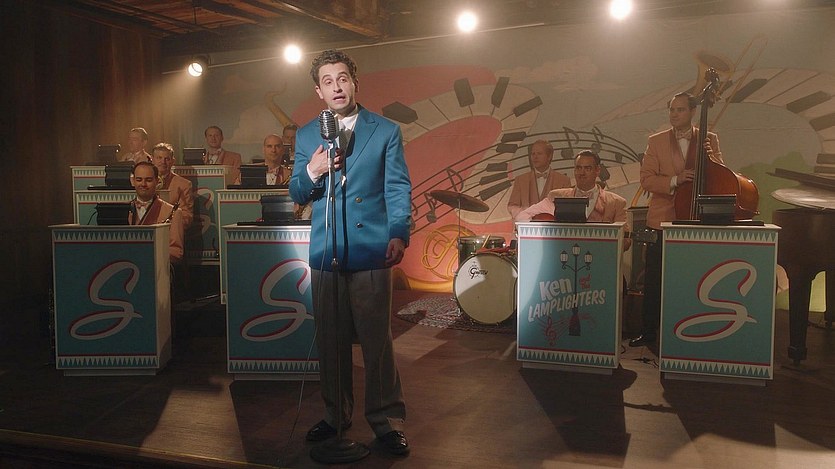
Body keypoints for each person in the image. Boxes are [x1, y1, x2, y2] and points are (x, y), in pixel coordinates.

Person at [289, 49, 412, 456]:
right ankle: (335, 416)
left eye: (342, 78)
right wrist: (313, 170)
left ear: (355, 83)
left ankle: (386, 421)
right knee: (330, 341)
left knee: (377, 341)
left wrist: (399, 232)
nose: (337, 87)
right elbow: (297, 192)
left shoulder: (385, 131)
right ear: (319, 91)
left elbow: (397, 187)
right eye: (328, 81)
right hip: (327, 250)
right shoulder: (307, 135)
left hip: (372, 248)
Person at [629, 91, 722, 347]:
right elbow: (646, 180)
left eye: (680, 110)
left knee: (693, 278)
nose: (674, 114)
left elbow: (720, 175)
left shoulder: (709, 139)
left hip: (696, 219)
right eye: (672, 110)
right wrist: (675, 180)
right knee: (654, 279)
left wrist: (711, 158)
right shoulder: (656, 141)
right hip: (662, 219)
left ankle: (692, 330)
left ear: (693, 111)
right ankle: (649, 333)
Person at [517, 150, 631, 249]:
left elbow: (626, 241)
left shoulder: (617, 203)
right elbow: (523, 217)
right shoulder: (557, 196)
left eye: (587, 168)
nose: (582, 173)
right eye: (578, 168)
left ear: (597, 170)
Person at [128, 161, 185, 264]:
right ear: (133, 181)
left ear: (157, 181)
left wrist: (145, 255)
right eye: (139, 180)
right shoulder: (124, 210)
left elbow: (176, 252)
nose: (143, 184)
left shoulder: (174, 212)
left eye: (148, 180)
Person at [507, 139, 571, 219]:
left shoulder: (564, 181)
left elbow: (566, 208)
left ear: (549, 156)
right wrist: (524, 216)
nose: (535, 157)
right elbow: (512, 205)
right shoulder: (520, 180)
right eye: (533, 154)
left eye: (539, 153)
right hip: (526, 225)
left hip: (553, 225)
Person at [151, 142, 194, 227]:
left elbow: (187, 217)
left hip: (171, 231)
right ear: (152, 159)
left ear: (173, 161)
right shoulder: (144, 182)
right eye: (159, 158)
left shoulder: (184, 185)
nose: (163, 162)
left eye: (167, 159)